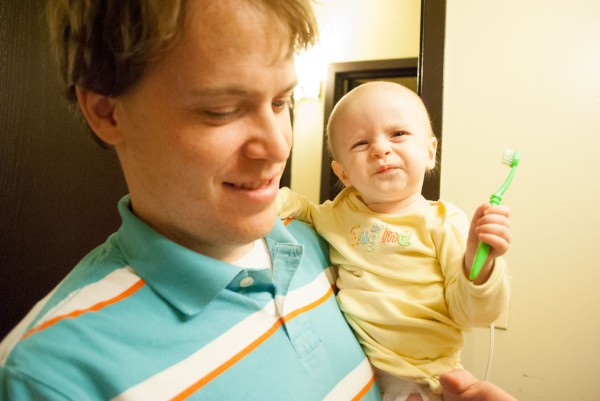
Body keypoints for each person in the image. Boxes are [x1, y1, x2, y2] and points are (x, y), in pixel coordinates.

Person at [0, 0, 517, 400]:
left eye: (281, 102)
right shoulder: (50, 374)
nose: (278, 146)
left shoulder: (318, 244)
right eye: (223, 110)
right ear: (107, 113)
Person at [277, 81, 511, 401]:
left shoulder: (444, 222)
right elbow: (298, 206)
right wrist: (261, 201)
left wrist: (479, 264)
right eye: (361, 143)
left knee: (457, 390)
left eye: (398, 134)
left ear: (430, 152)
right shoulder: (338, 213)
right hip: (361, 366)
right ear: (343, 173)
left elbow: (473, 314)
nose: (380, 149)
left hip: (429, 370)